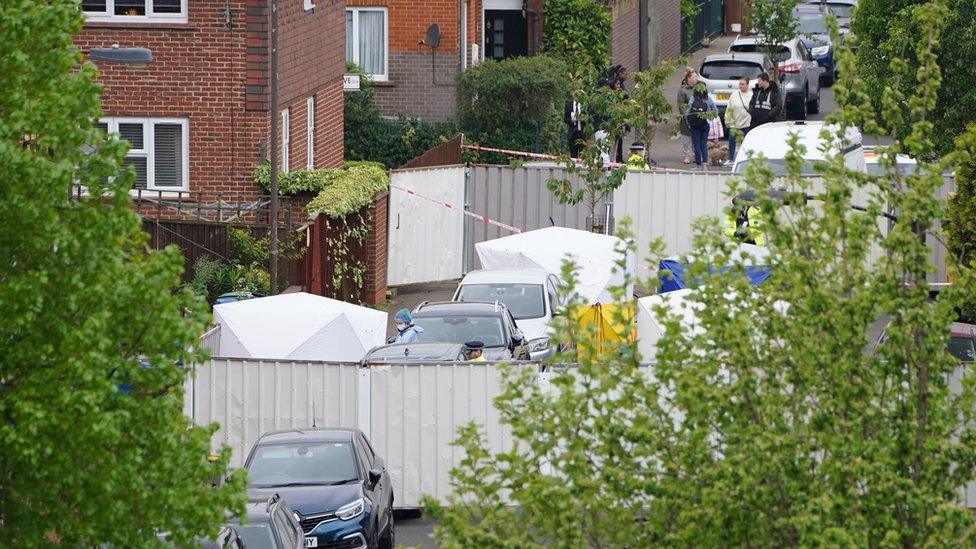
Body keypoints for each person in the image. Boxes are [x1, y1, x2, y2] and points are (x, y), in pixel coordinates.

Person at [686, 83, 716, 171]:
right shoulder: (708, 99)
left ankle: (698, 165)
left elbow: (688, 111)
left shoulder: (693, 99)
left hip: (694, 126)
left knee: (697, 146)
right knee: (703, 145)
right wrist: (708, 115)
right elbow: (716, 111)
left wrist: (689, 123)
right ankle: (705, 165)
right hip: (704, 125)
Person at [724, 76, 753, 166]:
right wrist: (727, 119)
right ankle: (730, 159)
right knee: (732, 141)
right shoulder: (734, 95)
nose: (740, 86)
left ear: (747, 85)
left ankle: (744, 160)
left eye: (743, 84)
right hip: (734, 122)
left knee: (745, 142)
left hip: (746, 122)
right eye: (740, 84)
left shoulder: (751, 95)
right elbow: (729, 107)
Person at [676, 68, 700, 165]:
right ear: (689, 78)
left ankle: (696, 154)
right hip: (687, 117)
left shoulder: (699, 88)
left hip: (697, 116)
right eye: (694, 77)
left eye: (696, 77)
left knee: (696, 137)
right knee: (686, 137)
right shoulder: (682, 91)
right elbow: (681, 105)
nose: (696, 79)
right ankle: (687, 155)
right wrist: (687, 117)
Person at [563, 94, 585, 158]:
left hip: (582, 133)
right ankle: (574, 167)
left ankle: (582, 167)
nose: (577, 96)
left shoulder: (584, 105)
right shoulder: (568, 105)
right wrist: (572, 120)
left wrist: (583, 118)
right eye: (575, 95)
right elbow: (565, 119)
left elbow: (590, 118)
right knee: (573, 154)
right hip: (572, 133)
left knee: (583, 154)